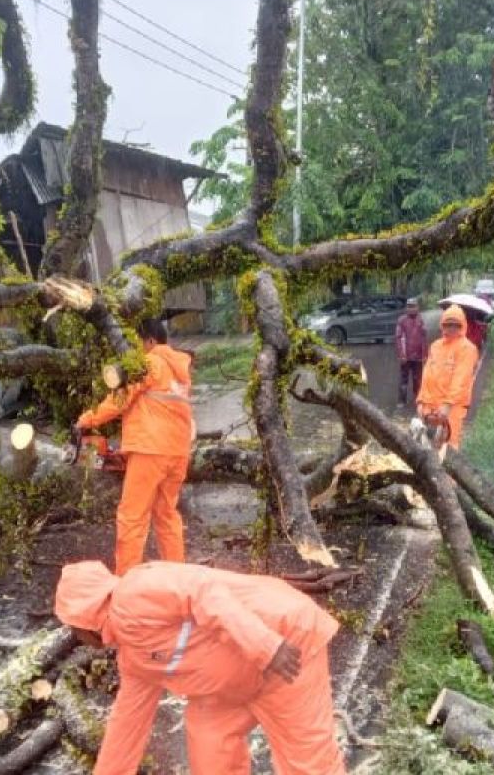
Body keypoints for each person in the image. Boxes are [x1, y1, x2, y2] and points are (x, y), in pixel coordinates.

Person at [54, 560, 347, 775]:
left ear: (84, 616)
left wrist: (266, 646)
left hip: (286, 652)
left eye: (72, 627)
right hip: (233, 687)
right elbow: (126, 726)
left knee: (309, 764)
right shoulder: (133, 659)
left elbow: (201, 590)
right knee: (210, 748)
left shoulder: (135, 592)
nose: (74, 636)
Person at [76, 318, 195, 575]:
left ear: (150, 340)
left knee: (132, 517)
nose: (137, 350)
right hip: (178, 453)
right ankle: (178, 579)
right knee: (167, 516)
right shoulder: (180, 373)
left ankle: (125, 582)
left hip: (150, 450)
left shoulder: (149, 362)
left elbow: (119, 399)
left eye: (139, 343)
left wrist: (86, 420)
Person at [416, 304, 478, 449]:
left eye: (455, 325)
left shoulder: (467, 349)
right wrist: (420, 401)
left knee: (448, 449)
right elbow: (427, 374)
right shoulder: (435, 346)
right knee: (424, 449)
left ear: (462, 326)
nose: (451, 328)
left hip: (451, 409)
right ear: (442, 325)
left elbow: (460, 380)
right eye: (448, 324)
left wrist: (447, 405)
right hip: (429, 406)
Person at [394, 297, 428, 406]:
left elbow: (424, 339)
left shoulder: (420, 320)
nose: (411, 309)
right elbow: (399, 338)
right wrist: (402, 354)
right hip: (406, 356)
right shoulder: (402, 320)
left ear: (418, 307)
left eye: (413, 306)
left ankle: (418, 399)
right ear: (406, 308)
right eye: (409, 306)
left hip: (418, 356)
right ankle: (401, 401)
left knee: (418, 379)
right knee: (404, 379)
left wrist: (425, 354)